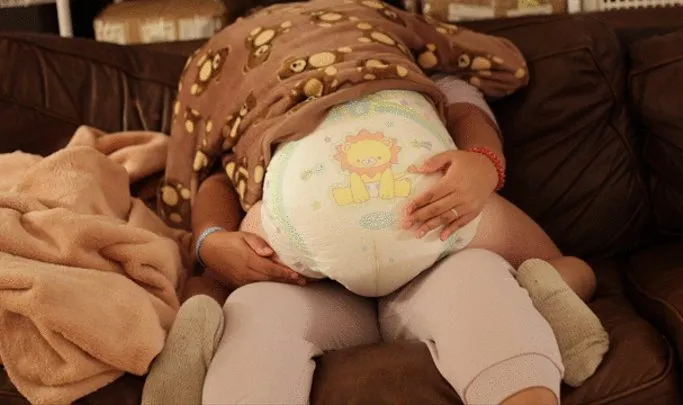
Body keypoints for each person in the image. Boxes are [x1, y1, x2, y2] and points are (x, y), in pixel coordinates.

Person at [142, 1, 609, 404]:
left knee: (253, 318)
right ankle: (547, 283)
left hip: (304, 272)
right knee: (487, 286)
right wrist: (484, 164)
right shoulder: (419, 82)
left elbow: (215, 185)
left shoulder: (260, 107)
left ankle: (199, 316)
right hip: (432, 246)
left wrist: (210, 243)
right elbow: (469, 113)